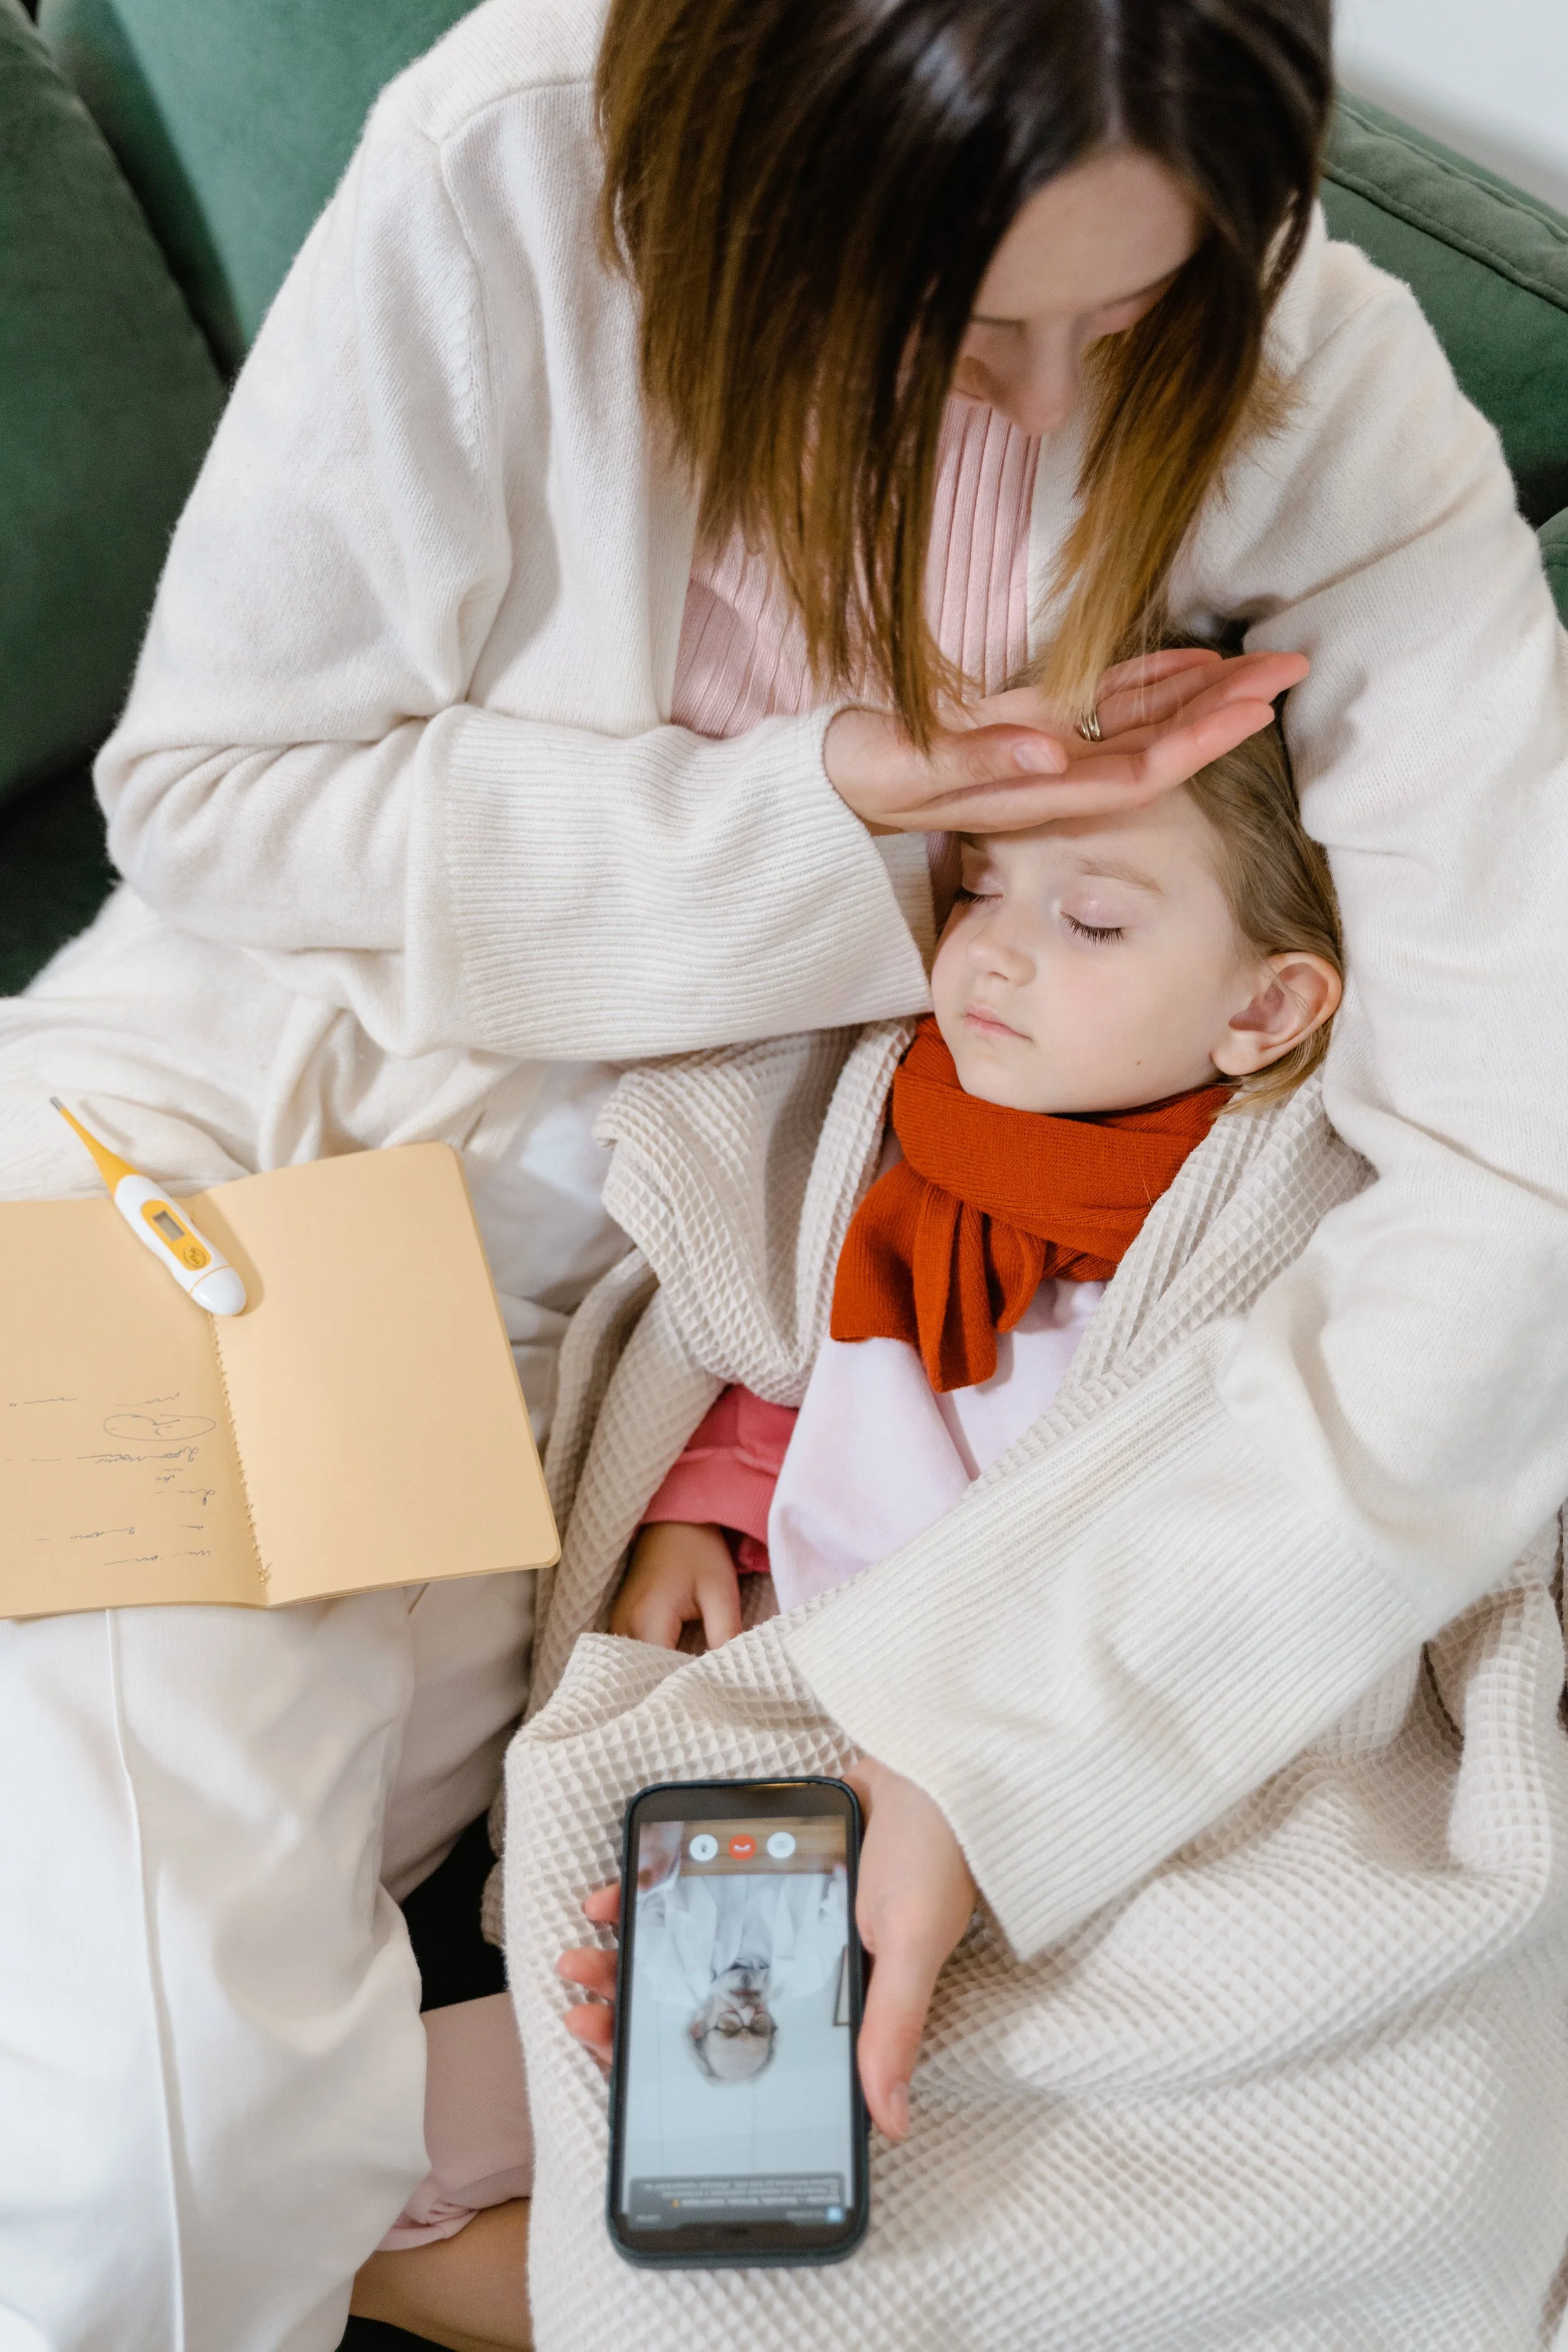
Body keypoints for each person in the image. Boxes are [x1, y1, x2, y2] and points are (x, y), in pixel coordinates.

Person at [0, 0, 1562, 2338]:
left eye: (1130, 324)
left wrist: (994, 1723)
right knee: (153, 2129)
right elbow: (216, 801)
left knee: (455, 2098)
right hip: (272, 1148)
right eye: (969, 335)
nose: (1057, 412)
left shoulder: (1328, 388)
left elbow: (1512, 1177)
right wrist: (836, 797)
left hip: (666, 1288)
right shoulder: (518, 167)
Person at [613, 709, 1342, 1642]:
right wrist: (700, 1512)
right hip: (855, 1636)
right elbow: (803, 1342)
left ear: (1267, 1004)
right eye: (979, 889)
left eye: (1092, 922)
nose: (991, 949)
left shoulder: (1266, 1217)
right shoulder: (893, 1126)